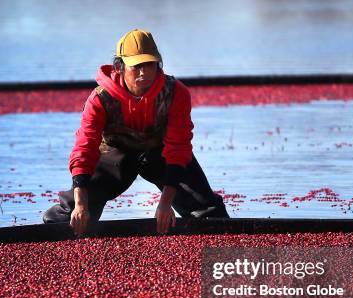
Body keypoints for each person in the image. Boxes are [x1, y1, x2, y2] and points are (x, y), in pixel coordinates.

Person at [43, 29, 229, 236]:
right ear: (119, 67)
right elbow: (84, 147)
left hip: (161, 155)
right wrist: (80, 203)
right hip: (114, 157)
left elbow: (178, 147)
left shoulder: (176, 93)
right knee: (68, 218)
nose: (144, 73)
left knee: (210, 215)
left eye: (149, 65)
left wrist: (166, 204)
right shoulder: (99, 99)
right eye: (136, 66)